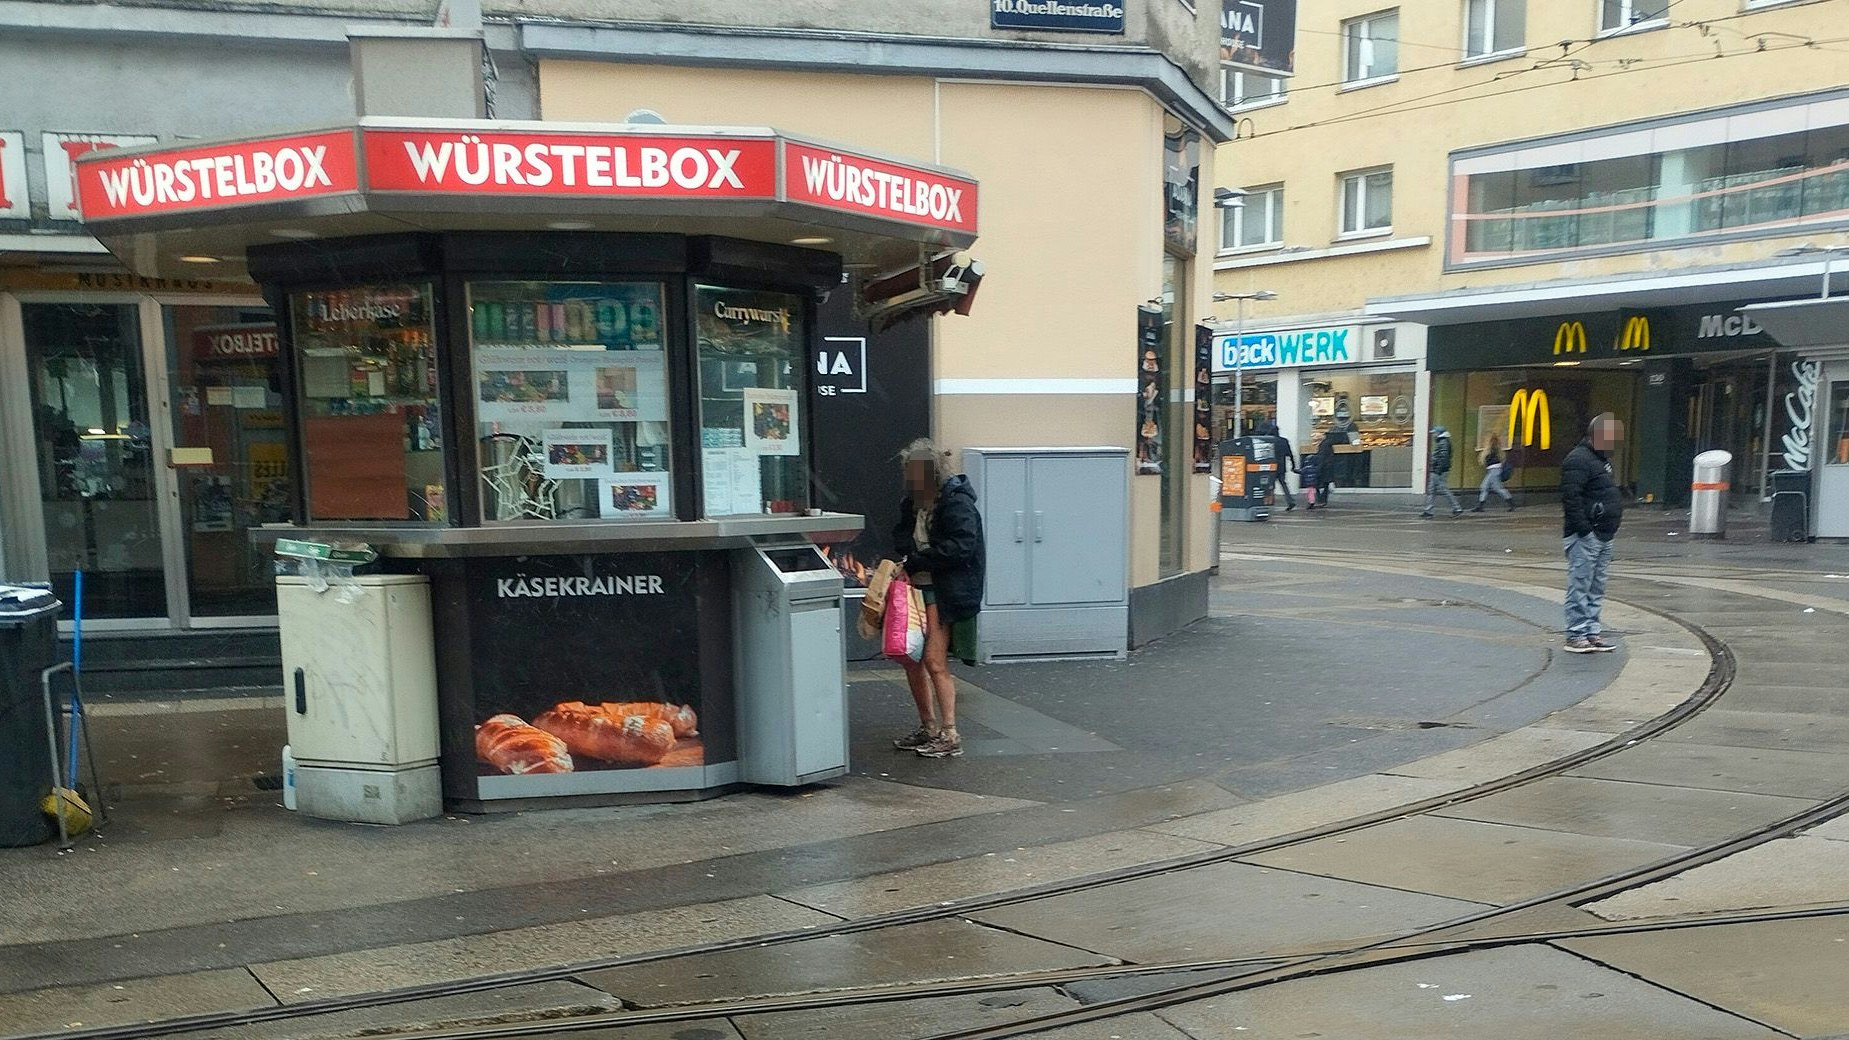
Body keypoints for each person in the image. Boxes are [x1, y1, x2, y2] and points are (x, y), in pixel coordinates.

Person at [890, 439, 987, 758]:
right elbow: (901, 535)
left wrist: (916, 559)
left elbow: (962, 548)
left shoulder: (956, 503)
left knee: (932, 660)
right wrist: (909, 555)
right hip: (919, 588)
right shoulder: (914, 501)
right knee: (911, 659)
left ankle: (949, 732)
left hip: (942, 591)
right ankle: (929, 727)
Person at [1561, 413, 1625, 654]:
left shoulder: (1600, 460)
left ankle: (1591, 632)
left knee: (1595, 586)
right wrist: (1585, 530)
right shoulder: (1578, 460)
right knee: (1581, 584)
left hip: (1603, 534)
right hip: (1587, 535)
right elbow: (1571, 498)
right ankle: (1576, 634)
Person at [1421, 426, 1463, 518]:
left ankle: (1457, 508)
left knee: (1441, 489)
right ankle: (1429, 510)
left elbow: (1443, 458)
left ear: (1439, 433)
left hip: (1438, 470)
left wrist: (1437, 470)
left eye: (1435, 433)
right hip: (1438, 470)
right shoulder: (1443, 442)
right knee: (1433, 490)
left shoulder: (1443, 443)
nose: (1433, 435)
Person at [1474, 435, 1515, 512]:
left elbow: (1485, 460)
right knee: (1493, 488)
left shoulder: (1491, 450)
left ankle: (1480, 506)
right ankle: (1511, 503)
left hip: (1493, 470)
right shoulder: (1498, 450)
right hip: (1495, 470)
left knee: (1486, 487)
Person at [1262, 421, 1297, 511]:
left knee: (1268, 485)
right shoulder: (1284, 441)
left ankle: (1265, 501)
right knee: (1283, 484)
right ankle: (1290, 500)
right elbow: (1290, 454)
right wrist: (1293, 465)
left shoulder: (1268, 440)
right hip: (1281, 466)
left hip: (1270, 466)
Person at [1306, 432, 1338, 509]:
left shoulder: (1323, 446)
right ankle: (1323, 501)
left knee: (1316, 484)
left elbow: (1322, 458)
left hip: (1323, 468)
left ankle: (1319, 500)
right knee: (1325, 485)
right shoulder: (1328, 445)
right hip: (1328, 467)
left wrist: (1318, 468)